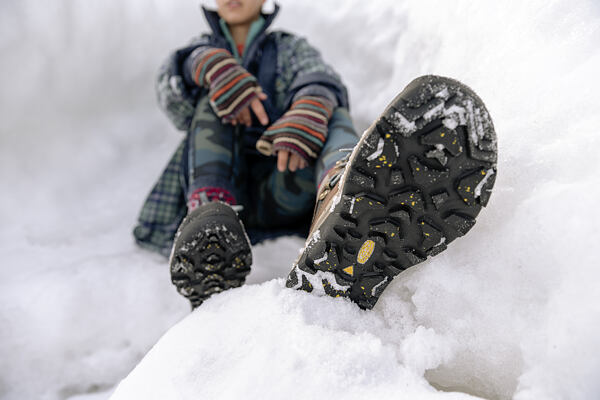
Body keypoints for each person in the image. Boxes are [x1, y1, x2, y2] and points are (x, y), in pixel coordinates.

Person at [134, 0, 498, 310]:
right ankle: (208, 219)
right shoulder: (197, 50)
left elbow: (319, 76)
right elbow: (174, 101)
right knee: (210, 107)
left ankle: (341, 195)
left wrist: (311, 105)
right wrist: (203, 64)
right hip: (229, 196)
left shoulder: (287, 48)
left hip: (287, 182)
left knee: (331, 111)